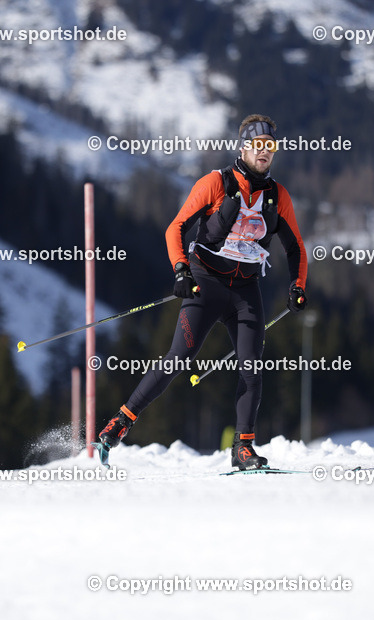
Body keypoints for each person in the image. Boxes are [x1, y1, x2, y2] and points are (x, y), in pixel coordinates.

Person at [96, 114, 308, 470]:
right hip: (205, 281)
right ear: (244, 147)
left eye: (270, 146)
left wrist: (298, 286)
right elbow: (175, 227)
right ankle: (120, 422)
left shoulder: (277, 196)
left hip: (245, 289)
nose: (265, 152)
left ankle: (243, 448)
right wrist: (180, 269)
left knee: (252, 367)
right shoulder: (216, 182)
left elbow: (296, 248)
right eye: (258, 146)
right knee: (179, 357)